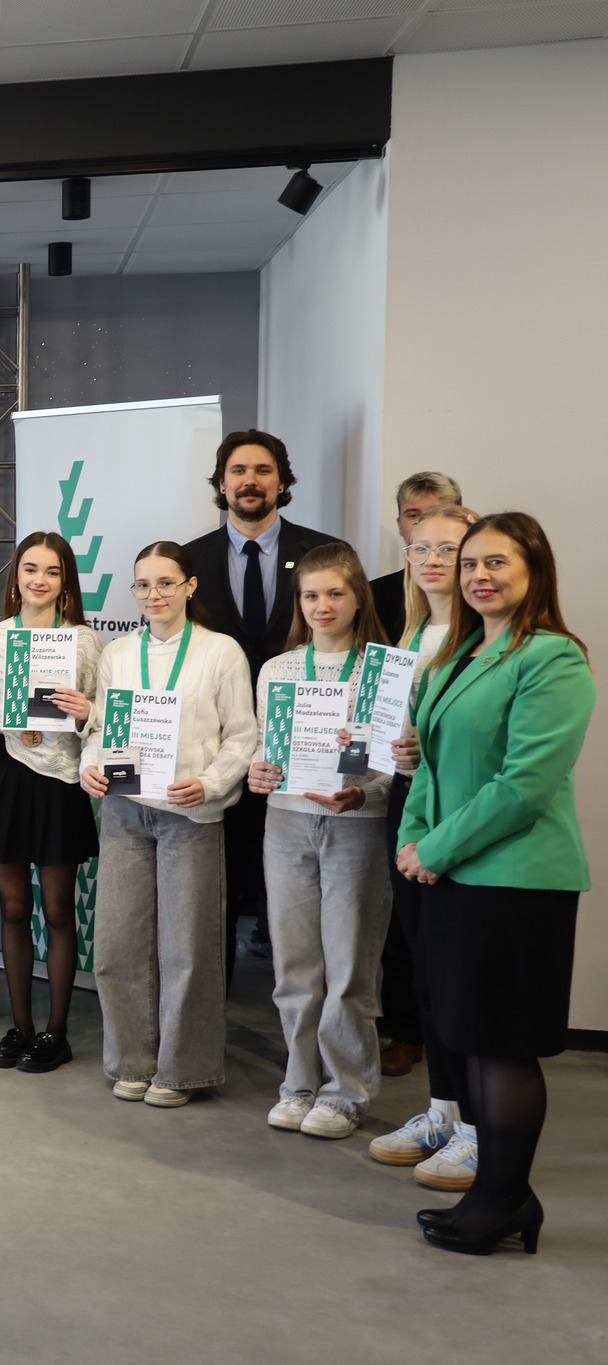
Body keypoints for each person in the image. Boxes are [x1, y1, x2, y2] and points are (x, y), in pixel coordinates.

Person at [398, 511, 592, 1256]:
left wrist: (435, 848)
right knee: (470, 1036)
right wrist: (414, 837)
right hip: (453, 875)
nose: (479, 575)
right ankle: (497, 1192)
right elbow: (426, 761)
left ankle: (505, 1198)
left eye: (496, 562)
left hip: (516, 879)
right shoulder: (457, 654)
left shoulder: (553, 657)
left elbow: (524, 786)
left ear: (533, 569)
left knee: (503, 1043)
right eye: (470, 563)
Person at [81, 541, 256, 1107]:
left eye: (165, 582)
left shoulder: (220, 652)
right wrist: (90, 768)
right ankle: (131, 1060)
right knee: (118, 944)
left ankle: (182, 1070)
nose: (153, 594)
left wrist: (211, 783)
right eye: (143, 584)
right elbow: (101, 730)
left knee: (188, 948)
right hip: (126, 812)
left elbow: (243, 735)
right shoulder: (118, 654)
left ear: (190, 586)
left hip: (190, 813)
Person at [245, 544, 394, 1139]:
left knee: (350, 965)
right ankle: (299, 1084)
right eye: (311, 595)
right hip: (286, 824)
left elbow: (395, 765)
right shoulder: (278, 670)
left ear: (358, 597)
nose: (322, 605)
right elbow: (265, 746)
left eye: (335, 593)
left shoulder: (384, 670)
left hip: (357, 826)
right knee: (295, 965)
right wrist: (258, 771)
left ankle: (346, 1092)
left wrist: (364, 793)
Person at [180, 430, 343, 972]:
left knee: (306, 903)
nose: (250, 481)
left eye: (263, 470)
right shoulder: (189, 560)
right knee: (215, 897)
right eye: (238, 470)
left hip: (301, 756)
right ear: (222, 483)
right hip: (216, 753)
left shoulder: (324, 555)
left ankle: (305, 1018)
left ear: (282, 481)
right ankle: (211, 1011)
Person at [0, 530, 103, 1073]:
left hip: (59, 782)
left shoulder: (83, 641)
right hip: (7, 776)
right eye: (31, 568)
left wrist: (85, 712)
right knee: (12, 908)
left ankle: (56, 1033)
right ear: (16, 576)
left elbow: (100, 715)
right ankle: (21, 1027)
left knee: (57, 910)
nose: (40, 579)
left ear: (66, 582)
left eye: (52, 571)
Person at [367, 504, 484, 1191]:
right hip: (404, 808)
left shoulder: (486, 637)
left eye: (450, 549)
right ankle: (443, 1111)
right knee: (423, 970)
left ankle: (478, 1127)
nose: (434, 560)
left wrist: (422, 754)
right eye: (421, 549)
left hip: (458, 819)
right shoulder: (409, 633)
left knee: (461, 975)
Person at [369, 473, 464, 645]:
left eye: (436, 513)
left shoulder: (479, 591)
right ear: (399, 524)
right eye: (413, 515)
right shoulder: (374, 595)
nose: (424, 523)